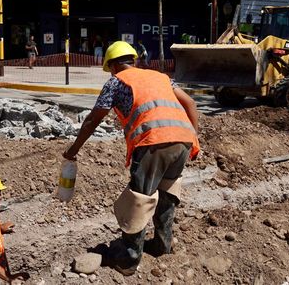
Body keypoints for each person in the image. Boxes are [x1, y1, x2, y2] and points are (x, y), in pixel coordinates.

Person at [62, 41, 200, 276]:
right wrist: (193, 138)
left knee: (139, 199)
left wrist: (73, 150)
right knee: (167, 194)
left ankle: (129, 260)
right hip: (183, 140)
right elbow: (190, 102)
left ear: (113, 65)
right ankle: (162, 245)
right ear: (133, 60)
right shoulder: (160, 77)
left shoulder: (116, 82)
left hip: (153, 143)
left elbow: (92, 120)